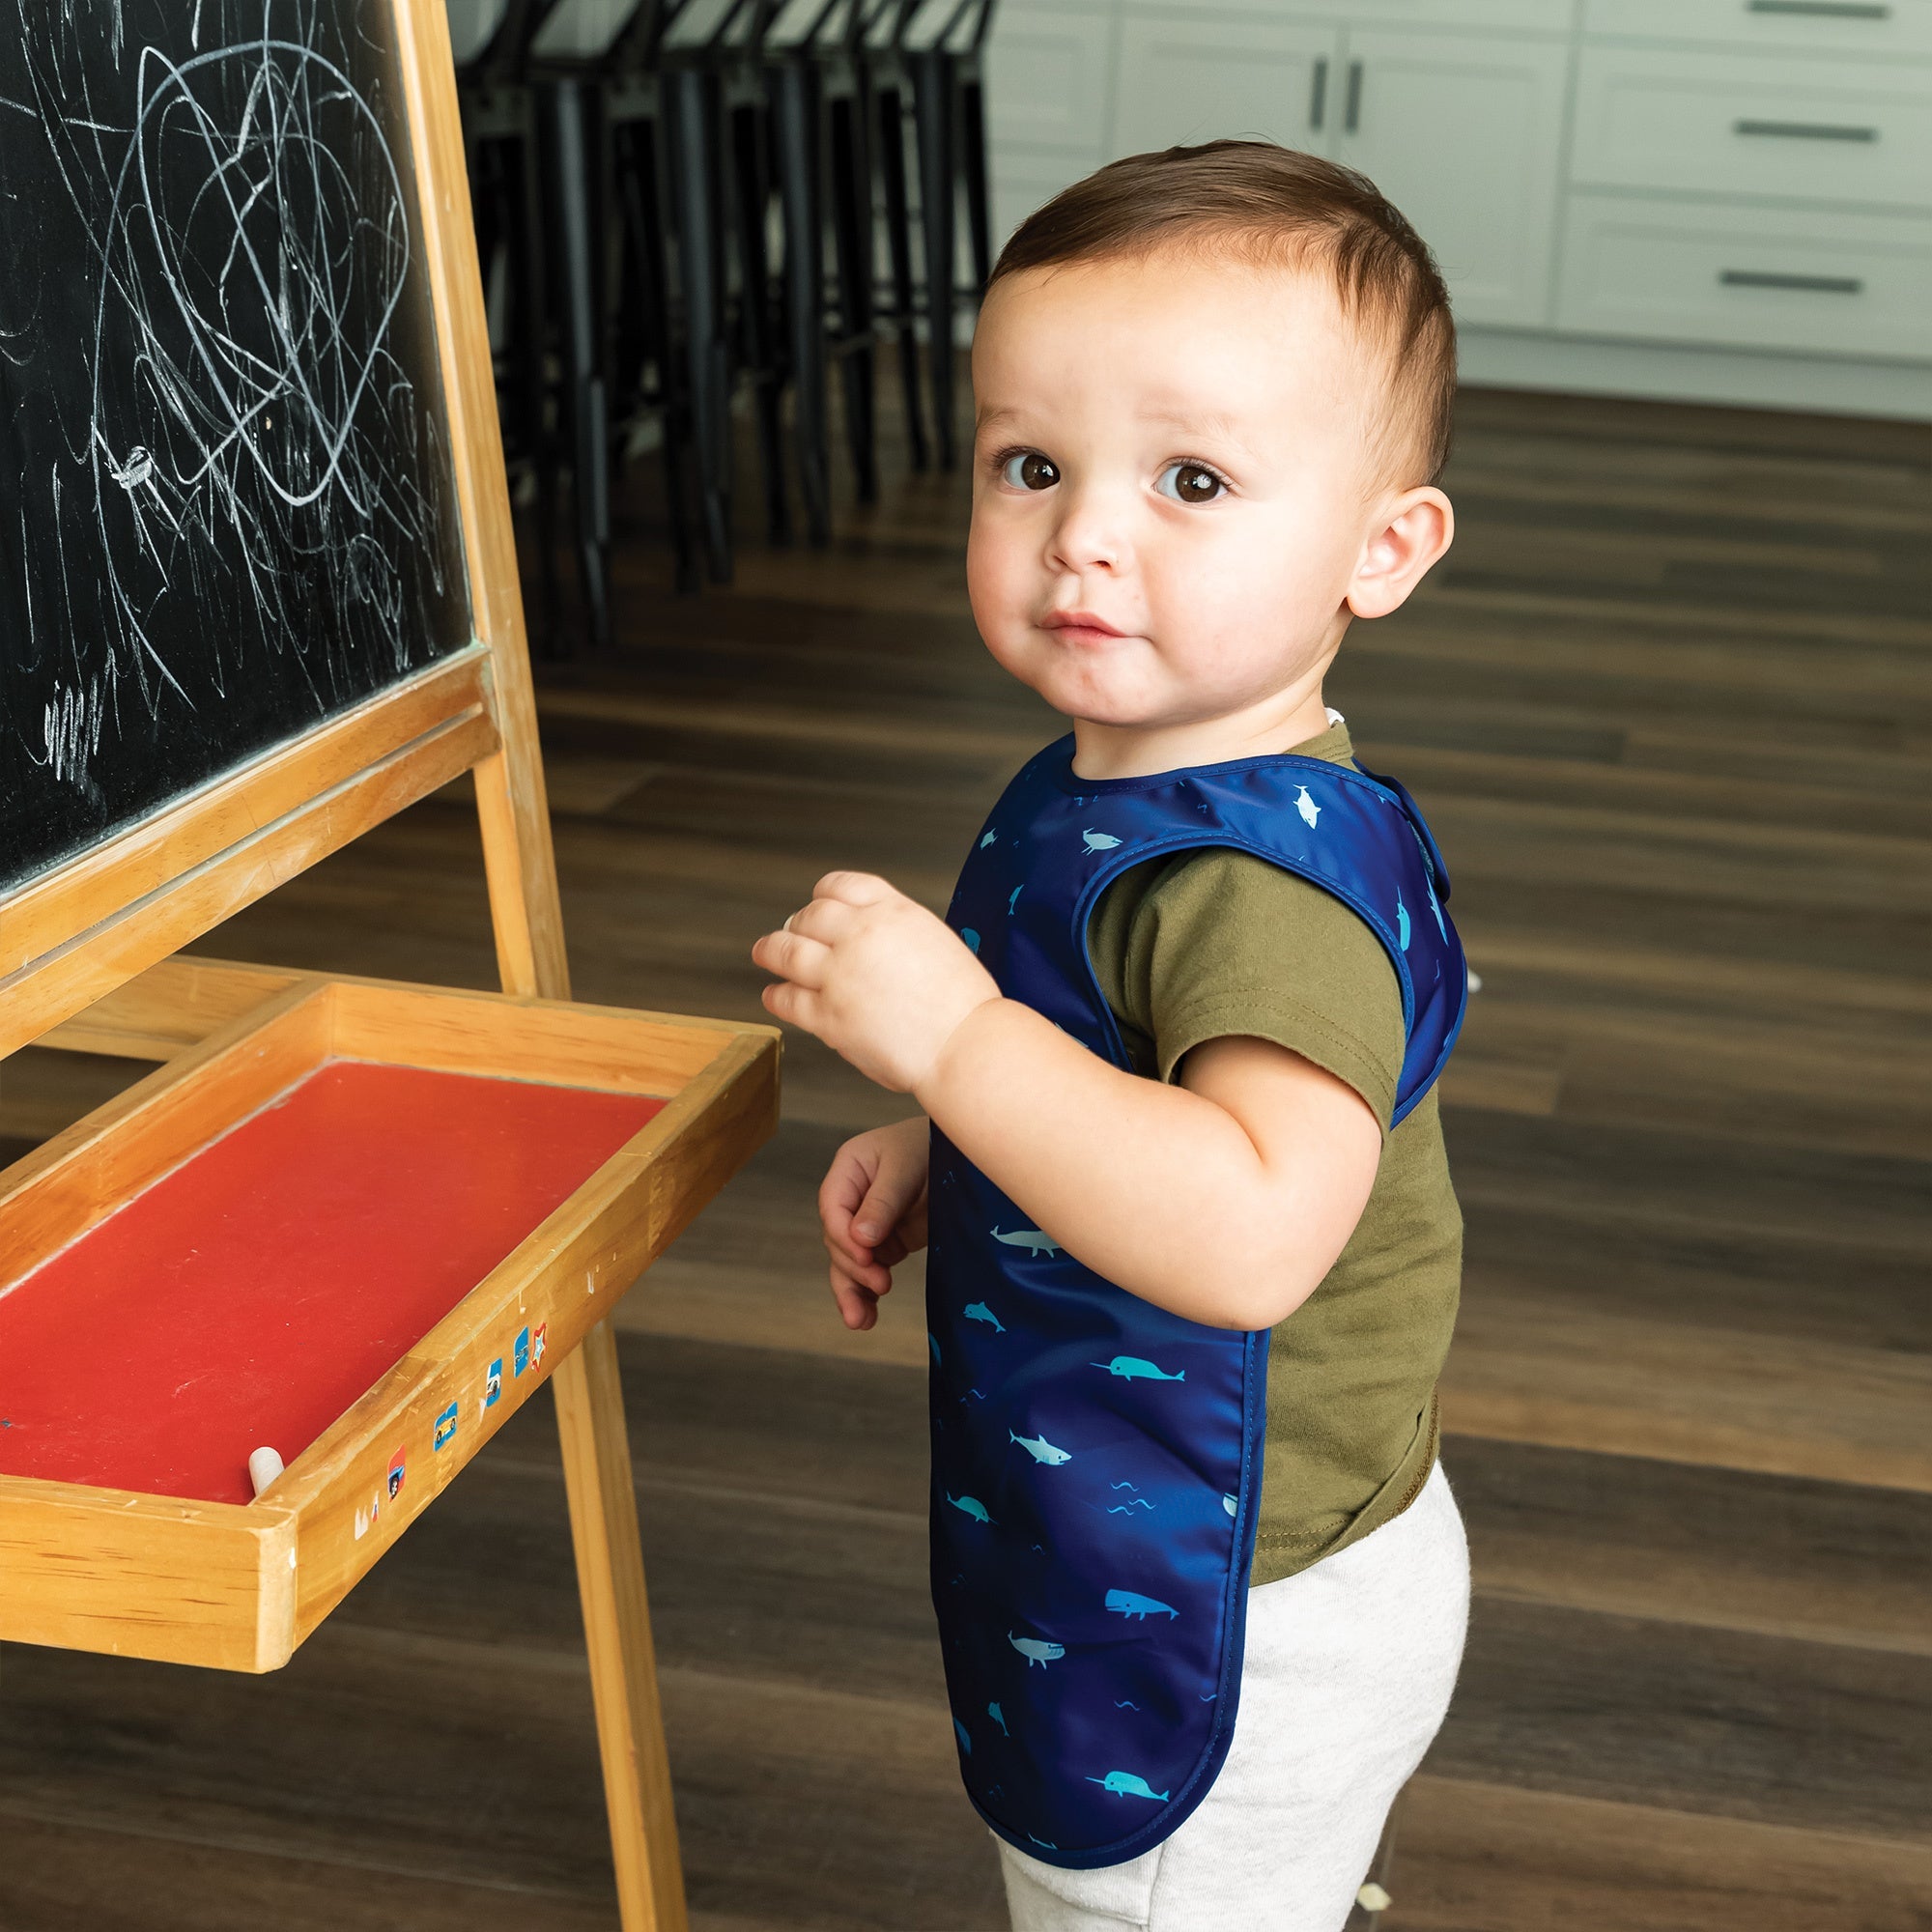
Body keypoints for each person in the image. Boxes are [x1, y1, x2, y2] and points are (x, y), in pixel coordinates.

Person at [752, 140, 1472, 1932]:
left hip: (1228, 1604)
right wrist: (962, 1144)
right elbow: (1126, 1067)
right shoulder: (1123, 782)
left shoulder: (1249, 888)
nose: (1084, 529)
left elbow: (1248, 1234)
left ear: (1382, 551)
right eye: (1030, 464)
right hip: (1234, 1543)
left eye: (1194, 478)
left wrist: (958, 1049)